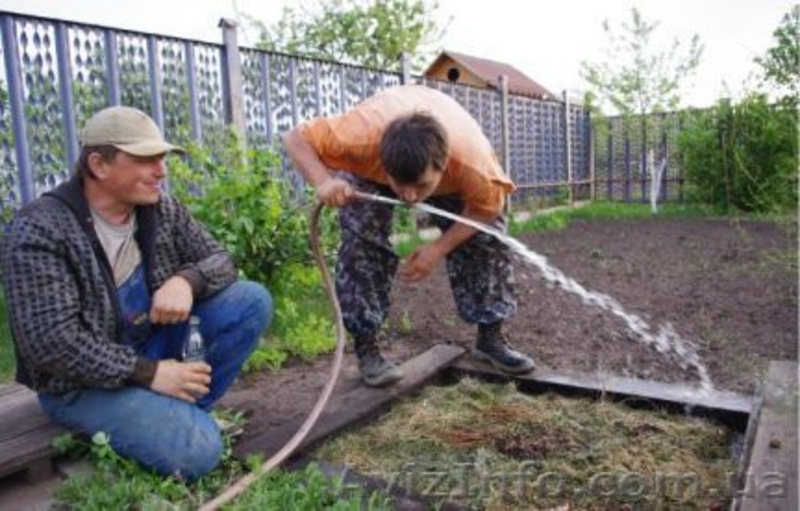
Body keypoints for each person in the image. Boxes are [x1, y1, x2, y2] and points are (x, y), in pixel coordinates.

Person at [1, 106, 273, 480]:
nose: (161, 171)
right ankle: (179, 425)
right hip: (81, 384)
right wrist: (148, 373)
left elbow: (221, 260)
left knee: (251, 300)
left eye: (162, 158)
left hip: (148, 345)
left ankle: (180, 414)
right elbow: (52, 344)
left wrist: (186, 281)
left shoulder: (160, 209)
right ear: (98, 164)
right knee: (200, 451)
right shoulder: (40, 229)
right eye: (146, 159)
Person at [283, 84, 535, 387]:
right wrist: (323, 181)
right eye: (400, 185)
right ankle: (367, 348)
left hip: (453, 160)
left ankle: (490, 338)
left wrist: (437, 249)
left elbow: (485, 212)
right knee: (362, 238)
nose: (410, 197)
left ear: (443, 166)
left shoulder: (473, 165)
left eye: (421, 186)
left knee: (486, 239)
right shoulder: (359, 138)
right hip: (372, 161)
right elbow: (295, 138)